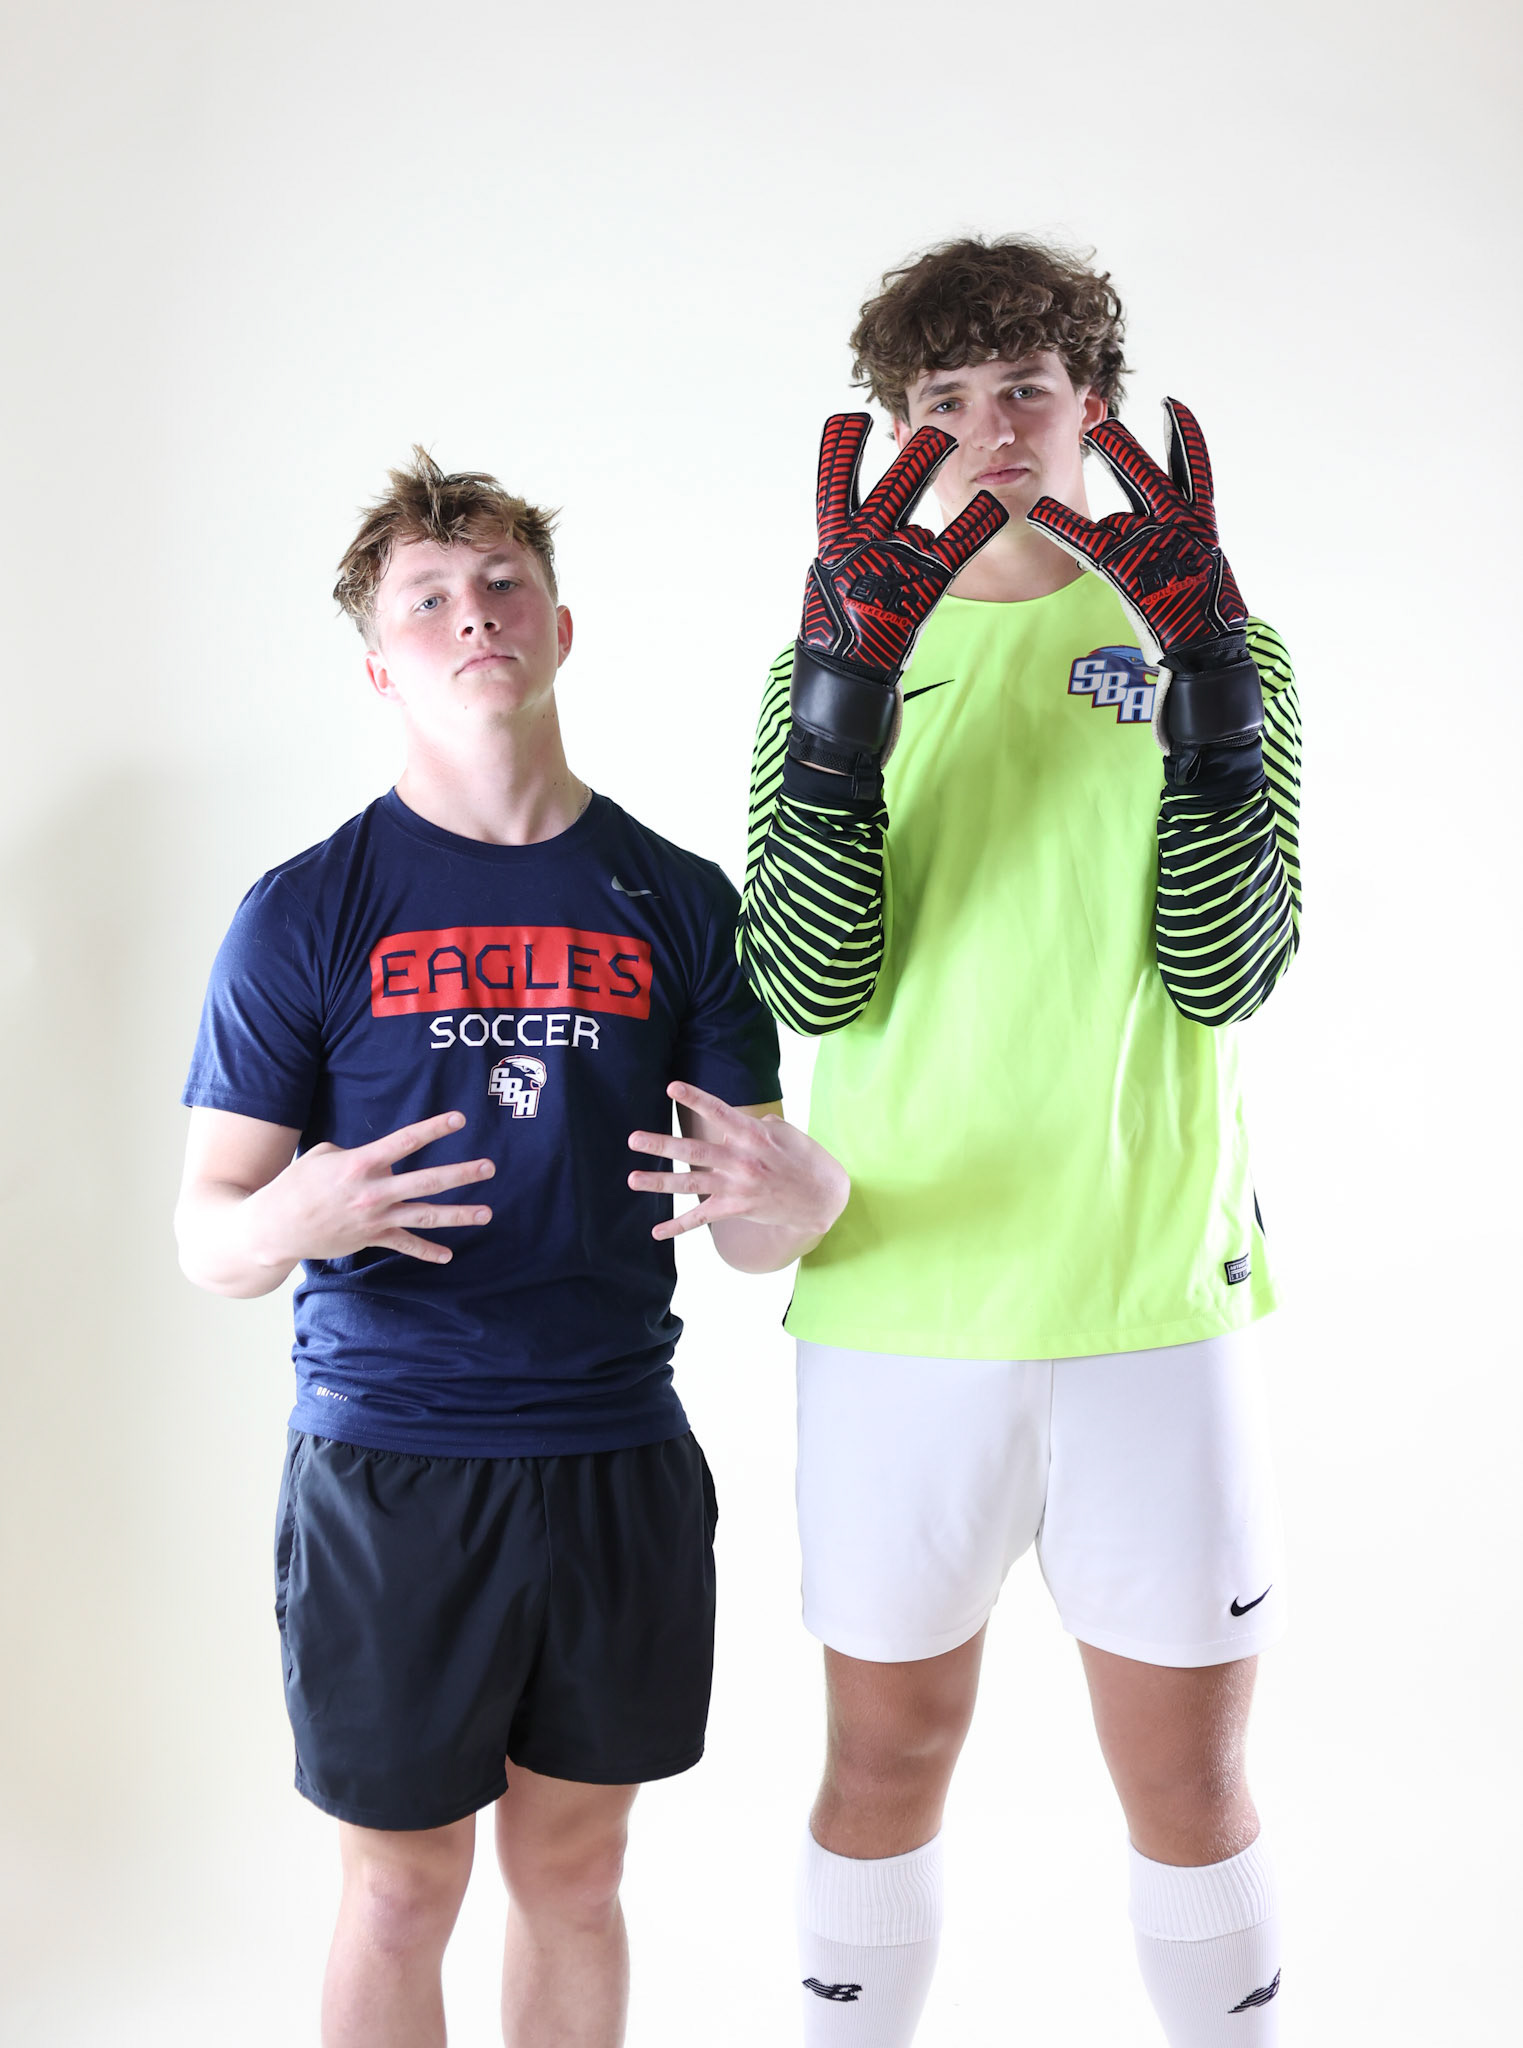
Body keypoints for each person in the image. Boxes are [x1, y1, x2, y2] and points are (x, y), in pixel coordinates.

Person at [175, 449, 848, 2048]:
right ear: (379, 665)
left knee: (576, 1876)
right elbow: (210, 1235)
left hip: (614, 1455)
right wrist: (297, 1216)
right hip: (391, 1464)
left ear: (560, 627)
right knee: (399, 1891)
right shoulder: (305, 912)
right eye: (427, 599)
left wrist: (814, 1199)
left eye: (501, 585)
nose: (472, 615)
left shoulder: (680, 900)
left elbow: (753, 1235)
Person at [739, 236, 1302, 2045]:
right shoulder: (827, 656)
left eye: (1026, 390)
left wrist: (1207, 683)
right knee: (885, 1756)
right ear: (898, 425)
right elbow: (811, 984)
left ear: (1094, 409)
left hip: (1152, 1288)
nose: (989, 430)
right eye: (945, 399)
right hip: (903, 1297)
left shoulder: (1219, 640)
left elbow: (1229, 966)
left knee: (1190, 1780)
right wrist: (842, 704)